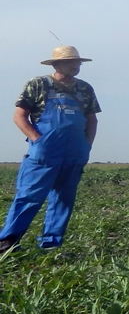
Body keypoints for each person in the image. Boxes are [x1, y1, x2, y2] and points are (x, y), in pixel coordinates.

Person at [0, 46, 99, 252]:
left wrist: (86, 147)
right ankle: (8, 241)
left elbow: (92, 121)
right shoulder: (38, 84)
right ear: (56, 64)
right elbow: (19, 116)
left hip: (74, 153)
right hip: (44, 151)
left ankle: (50, 245)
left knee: (64, 199)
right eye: (71, 61)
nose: (76, 65)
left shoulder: (85, 89)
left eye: (78, 62)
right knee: (29, 195)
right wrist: (37, 140)